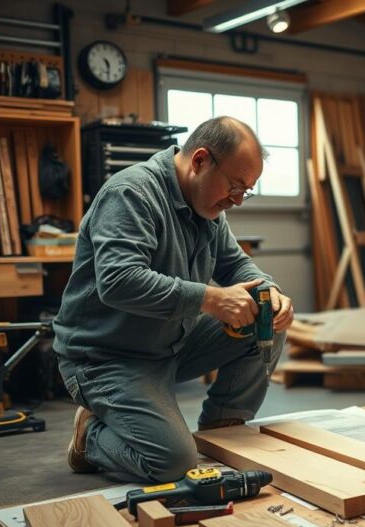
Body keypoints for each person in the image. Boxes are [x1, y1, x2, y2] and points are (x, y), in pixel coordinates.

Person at [53, 116, 293, 482]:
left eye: (246, 191)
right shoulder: (131, 193)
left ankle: (221, 432)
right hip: (106, 357)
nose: (236, 201)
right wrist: (211, 299)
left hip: (168, 344)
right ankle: (91, 436)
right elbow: (119, 281)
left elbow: (235, 264)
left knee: (264, 319)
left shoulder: (208, 209)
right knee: (171, 463)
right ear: (200, 161)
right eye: (234, 186)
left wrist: (269, 292)